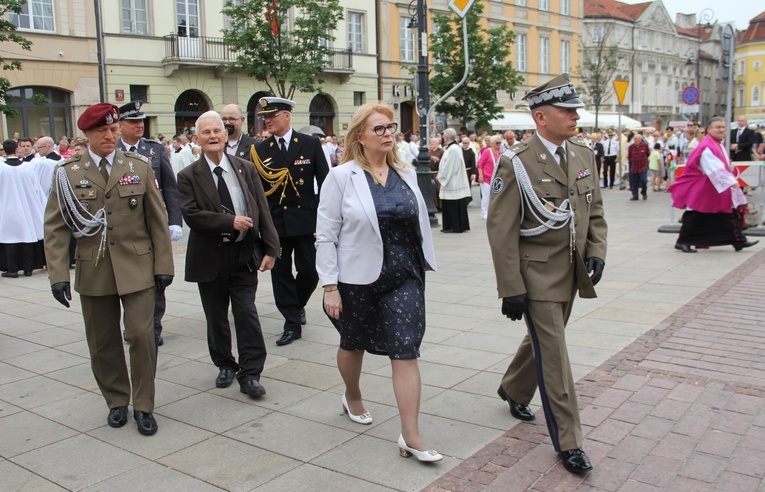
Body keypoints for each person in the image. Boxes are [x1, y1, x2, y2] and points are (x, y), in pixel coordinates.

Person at [487, 73, 607, 475]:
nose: (576, 116)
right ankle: (569, 441)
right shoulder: (516, 163)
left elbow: (596, 212)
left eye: (575, 110)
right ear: (540, 116)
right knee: (555, 355)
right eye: (566, 110)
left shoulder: (583, 154)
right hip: (535, 275)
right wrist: (511, 288)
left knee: (543, 340)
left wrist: (597, 252)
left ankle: (513, 387)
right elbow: (501, 230)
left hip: (572, 271)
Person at [316, 103, 441, 462]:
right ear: (360, 137)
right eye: (380, 129)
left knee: (405, 350)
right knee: (352, 343)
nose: (388, 134)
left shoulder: (404, 173)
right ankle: (352, 395)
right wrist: (330, 286)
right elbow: (325, 236)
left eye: (391, 128)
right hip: (356, 280)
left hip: (404, 277)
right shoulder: (342, 177)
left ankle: (411, 435)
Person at [43, 103, 174, 436]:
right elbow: (56, 229)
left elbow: (157, 222)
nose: (110, 136)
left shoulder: (139, 166)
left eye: (114, 130)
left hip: (138, 266)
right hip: (94, 269)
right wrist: (58, 275)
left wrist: (163, 265)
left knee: (143, 337)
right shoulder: (68, 172)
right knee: (103, 342)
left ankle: (144, 405)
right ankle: (117, 399)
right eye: (102, 131)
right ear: (86, 134)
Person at [177, 111, 279, 398]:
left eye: (216, 131)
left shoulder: (245, 168)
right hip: (209, 257)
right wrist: (228, 221)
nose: (212, 136)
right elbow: (192, 214)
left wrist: (271, 248)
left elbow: (262, 209)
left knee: (247, 313)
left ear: (225, 135)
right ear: (196, 138)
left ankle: (251, 373)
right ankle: (224, 363)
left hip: (243, 255)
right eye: (205, 132)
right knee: (216, 316)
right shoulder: (188, 176)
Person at [253, 97, 330, 346]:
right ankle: (292, 323)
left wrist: (323, 215)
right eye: (265, 116)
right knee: (281, 275)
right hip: (277, 224)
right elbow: (258, 190)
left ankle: (296, 306)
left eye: (272, 115)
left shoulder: (309, 144)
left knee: (309, 271)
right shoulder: (260, 150)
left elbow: (325, 183)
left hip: (306, 221)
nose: (267, 120)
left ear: (287, 115)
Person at [117, 100, 183, 347]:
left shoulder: (154, 149)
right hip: (124, 227)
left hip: (153, 224)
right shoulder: (111, 149)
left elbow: (170, 188)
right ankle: (132, 324)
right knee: (127, 278)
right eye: (133, 122)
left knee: (158, 277)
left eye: (141, 121)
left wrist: (175, 221)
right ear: (120, 125)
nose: (139, 126)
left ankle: (154, 326)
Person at [669, 117, 759, 254]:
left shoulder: (716, 143)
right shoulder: (707, 146)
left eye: (723, 127)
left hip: (713, 186)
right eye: (718, 127)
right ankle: (683, 241)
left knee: (727, 213)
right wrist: (731, 181)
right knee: (696, 214)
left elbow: (720, 163)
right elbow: (713, 167)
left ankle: (738, 240)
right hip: (705, 187)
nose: (721, 130)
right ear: (709, 129)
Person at [0, 139, 46, 278]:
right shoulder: (27, 168)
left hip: (6, 207)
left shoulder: (1, 168)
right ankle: (28, 269)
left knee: (9, 238)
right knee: (27, 235)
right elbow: (36, 188)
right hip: (26, 207)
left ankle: (12, 269)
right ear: (17, 150)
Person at [438, 128, 471, 233]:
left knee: (452, 204)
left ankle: (453, 226)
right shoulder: (453, 148)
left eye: (444, 136)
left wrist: (441, 177)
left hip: (453, 181)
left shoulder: (453, 149)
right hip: (453, 180)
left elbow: (450, 166)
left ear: (446, 137)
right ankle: (453, 225)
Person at [476, 134, 501, 220]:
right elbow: (480, 164)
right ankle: (484, 212)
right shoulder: (487, 151)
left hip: (495, 178)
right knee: (486, 196)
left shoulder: (499, 153)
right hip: (486, 177)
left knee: (494, 196)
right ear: (492, 143)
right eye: (497, 143)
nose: (499, 144)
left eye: (500, 143)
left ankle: (492, 211)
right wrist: (480, 175)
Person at [627, 133, 649, 201]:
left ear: (640, 139)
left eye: (638, 139)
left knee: (644, 180)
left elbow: (648, 154)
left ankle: (644, 192)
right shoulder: (631, 147)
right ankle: (635, 195)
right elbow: (629, 156)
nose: (636, 140)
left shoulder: (645, 146)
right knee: (634, 182)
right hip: (634, 167)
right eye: (635, 139)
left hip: (643, 166)